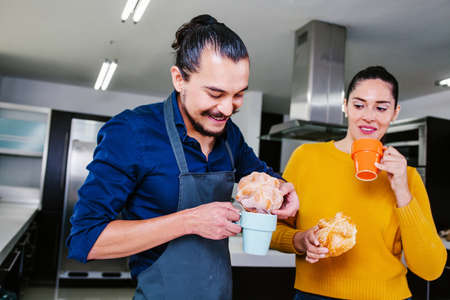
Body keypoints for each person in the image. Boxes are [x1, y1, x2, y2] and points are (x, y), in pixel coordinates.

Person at [66, 14, 298, 300]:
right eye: (215, 93)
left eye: (238, 95)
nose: (227, 108)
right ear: (179, 79)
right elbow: (86, 239)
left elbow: (260, 174)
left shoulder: (229, 136)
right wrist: (189, 221)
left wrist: (283, 188)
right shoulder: (132, 132)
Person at [270, 66, 447, 300]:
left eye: (381, 108)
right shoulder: (306, 157)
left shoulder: (408, 176)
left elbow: (430, 269)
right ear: (345, 106)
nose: (369, 116)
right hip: (314, 295)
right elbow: (270, 230)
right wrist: (299, 241)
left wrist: (402, 190)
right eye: (359, 105)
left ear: (395, 113)